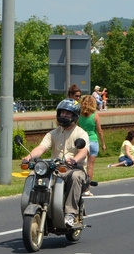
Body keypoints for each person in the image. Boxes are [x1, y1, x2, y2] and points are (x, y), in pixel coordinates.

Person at [19, 99, 89, 227]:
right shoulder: (53, 133)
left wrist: (74, 159)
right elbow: (41, 147)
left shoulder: (80, 133)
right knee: (34, 174)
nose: (64, 115)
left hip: (73, 168)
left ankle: (70, 213)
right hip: (55, 168)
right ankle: (33, 204)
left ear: (74, 115)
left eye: (67, 113)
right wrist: (29, 157)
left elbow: (83, 151)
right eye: (62, 113)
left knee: (75, 176)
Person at [78, 94, 105, 191]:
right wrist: (103, 144)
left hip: (83, 143)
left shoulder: (79, 116)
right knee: (90, 166)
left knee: (81, 165)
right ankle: (87, 189)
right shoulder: (95, 115)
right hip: (93, 141)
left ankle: (80, 185)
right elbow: (100, 131)